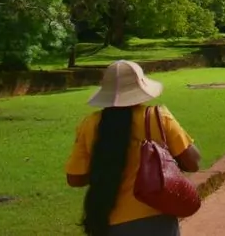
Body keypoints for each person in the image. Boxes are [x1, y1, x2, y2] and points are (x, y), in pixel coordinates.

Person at [65, 60, 202, 236]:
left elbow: (75, 179)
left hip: (107, 221)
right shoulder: (158, 117)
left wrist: (106, 163)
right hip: (157, 220)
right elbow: (193, 162)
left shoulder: (90, 124)